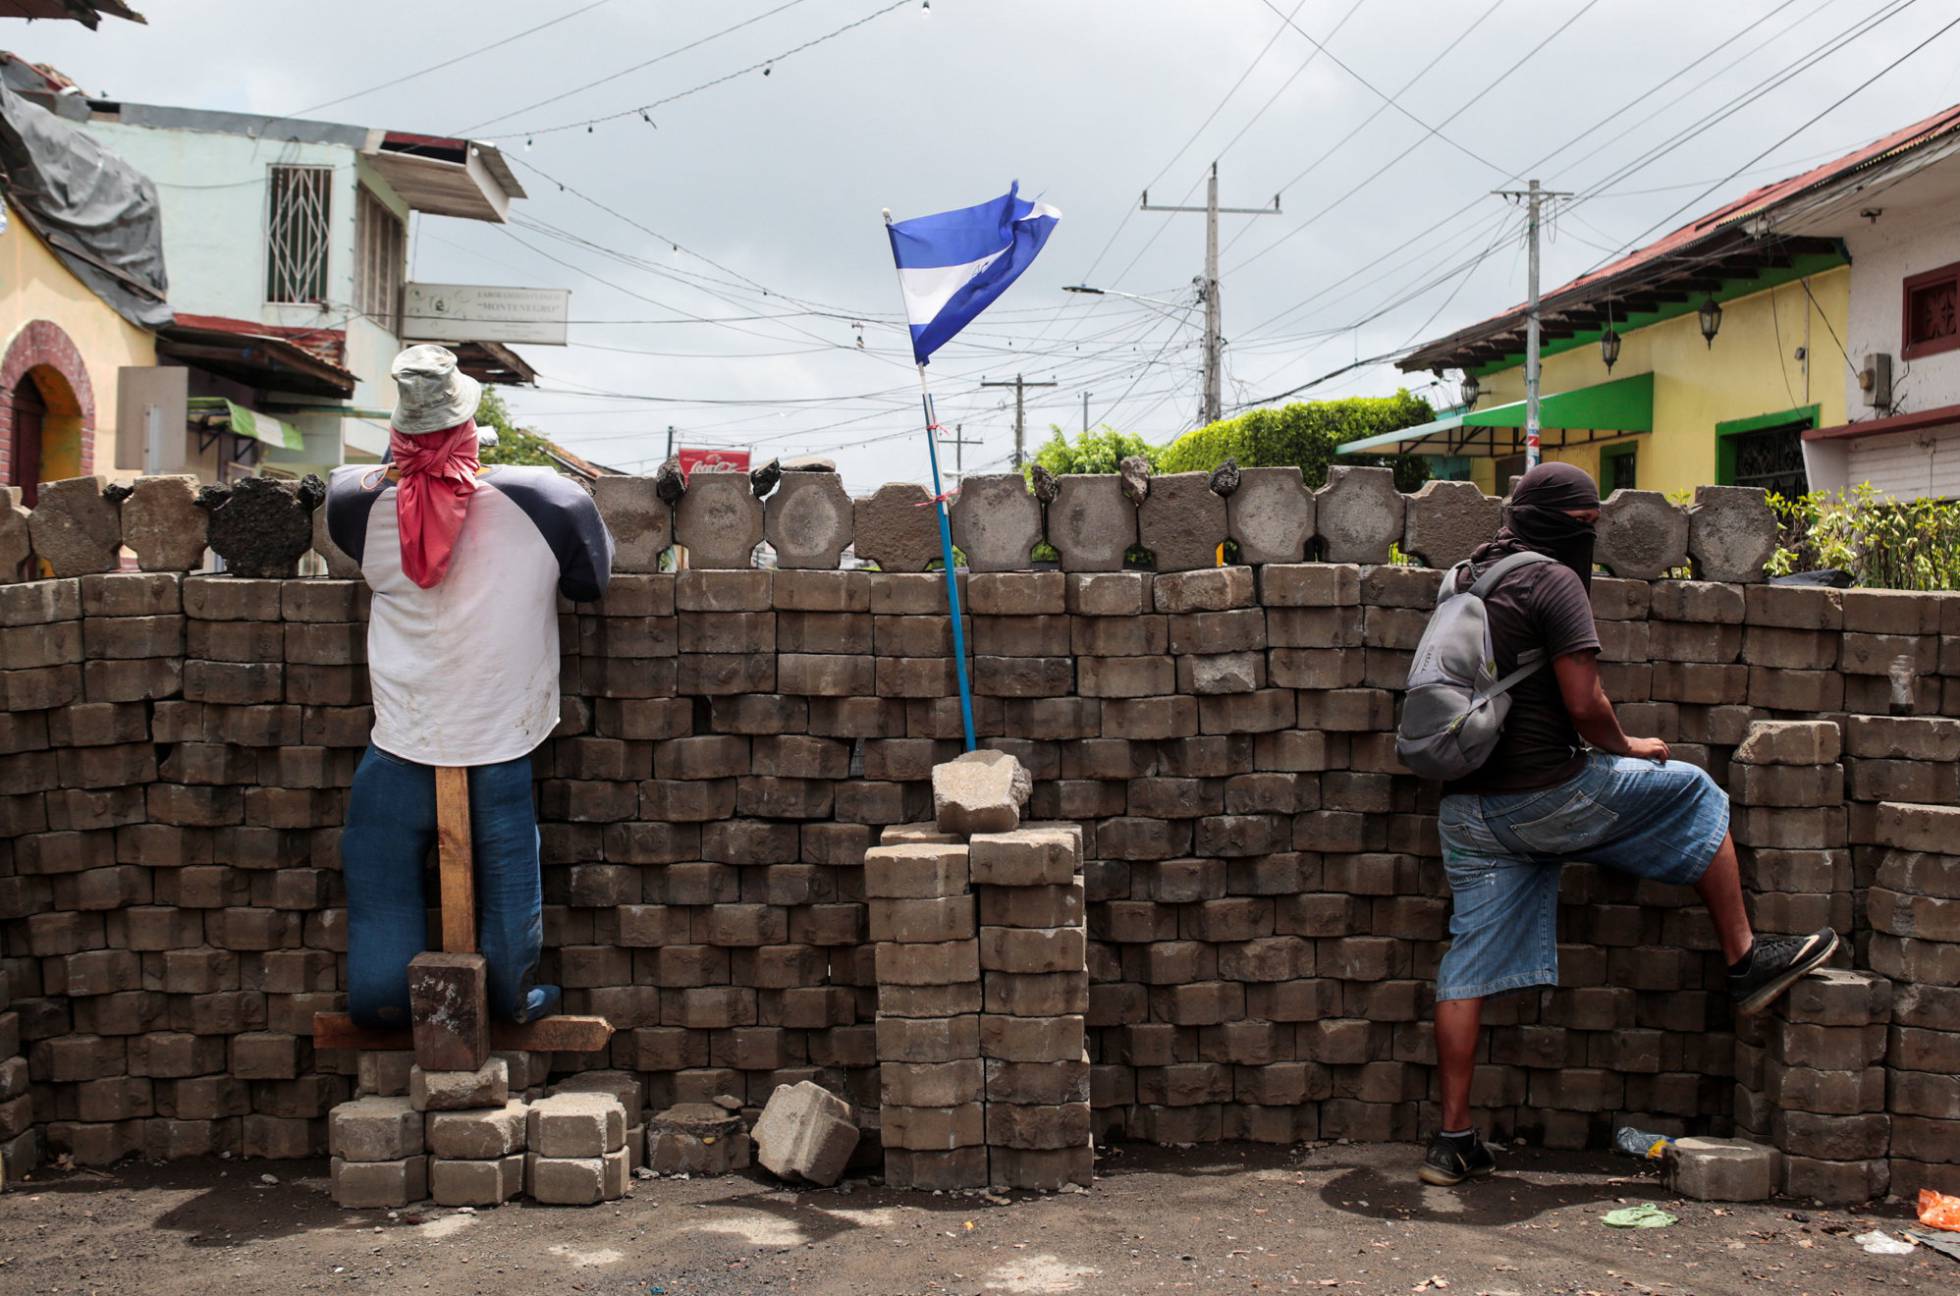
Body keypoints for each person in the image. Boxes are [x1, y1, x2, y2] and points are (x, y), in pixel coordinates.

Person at [1419, 461, 1838, 1187]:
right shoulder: (1554, 581)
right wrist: (1631, 746)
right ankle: (1744, 963)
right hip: (1543, 797)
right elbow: (1584, 704)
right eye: (1585, 525)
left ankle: (1452, 1142)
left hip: (1467, 811)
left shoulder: (1463, 577)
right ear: (1563, 525)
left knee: (1467, 965)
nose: (1589, 536)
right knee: (1694, 792)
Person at [326, 345, 613, 1029]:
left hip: (400, 737)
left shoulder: (353, 503)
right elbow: (591, 582)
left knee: (379, 898)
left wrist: (408, 468)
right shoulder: (548, 499)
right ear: (469, 429)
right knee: (510, 893)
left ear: (398, 433)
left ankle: (385, 1004)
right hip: (501, 737)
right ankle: (510, 1000)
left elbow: (378, 488)